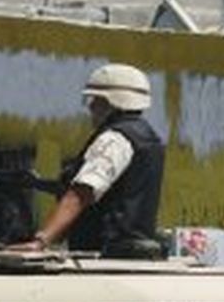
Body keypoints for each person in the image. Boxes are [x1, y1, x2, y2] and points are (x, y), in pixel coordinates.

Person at [14, 62, 165, 259]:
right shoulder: (148, 138)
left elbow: (82, 192)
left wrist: (41, 241)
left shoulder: (114, 140)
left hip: (104, 254)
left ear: (111, 102)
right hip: (130, 254)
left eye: (96, 100)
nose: (91, 107)